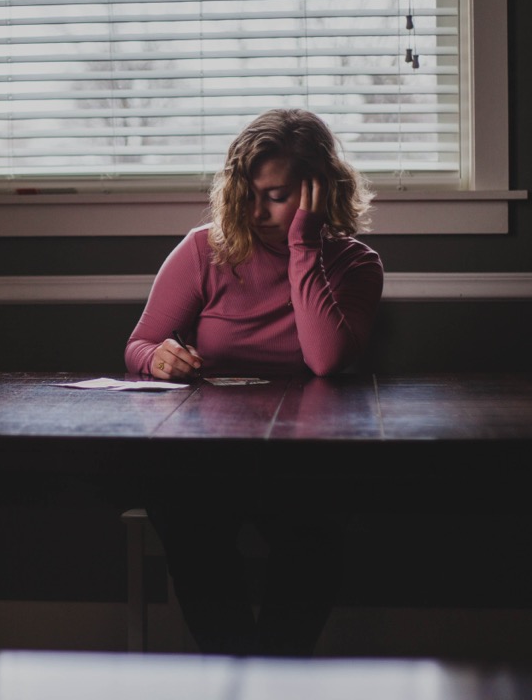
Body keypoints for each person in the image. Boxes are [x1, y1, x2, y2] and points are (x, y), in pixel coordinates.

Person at [124, 108, 383, 656]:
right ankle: (237, 669)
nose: (256, 210)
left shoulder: (355, 264)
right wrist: (160, 360)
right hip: (209, 452)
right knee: (189, 525)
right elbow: (139, 345)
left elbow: (326, 360)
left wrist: (304, 248)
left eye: (277, 194)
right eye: (249, 192)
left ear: (320, 191)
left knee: (314, 538)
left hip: (303, 454)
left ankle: (275, 672)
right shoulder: (204, 250)